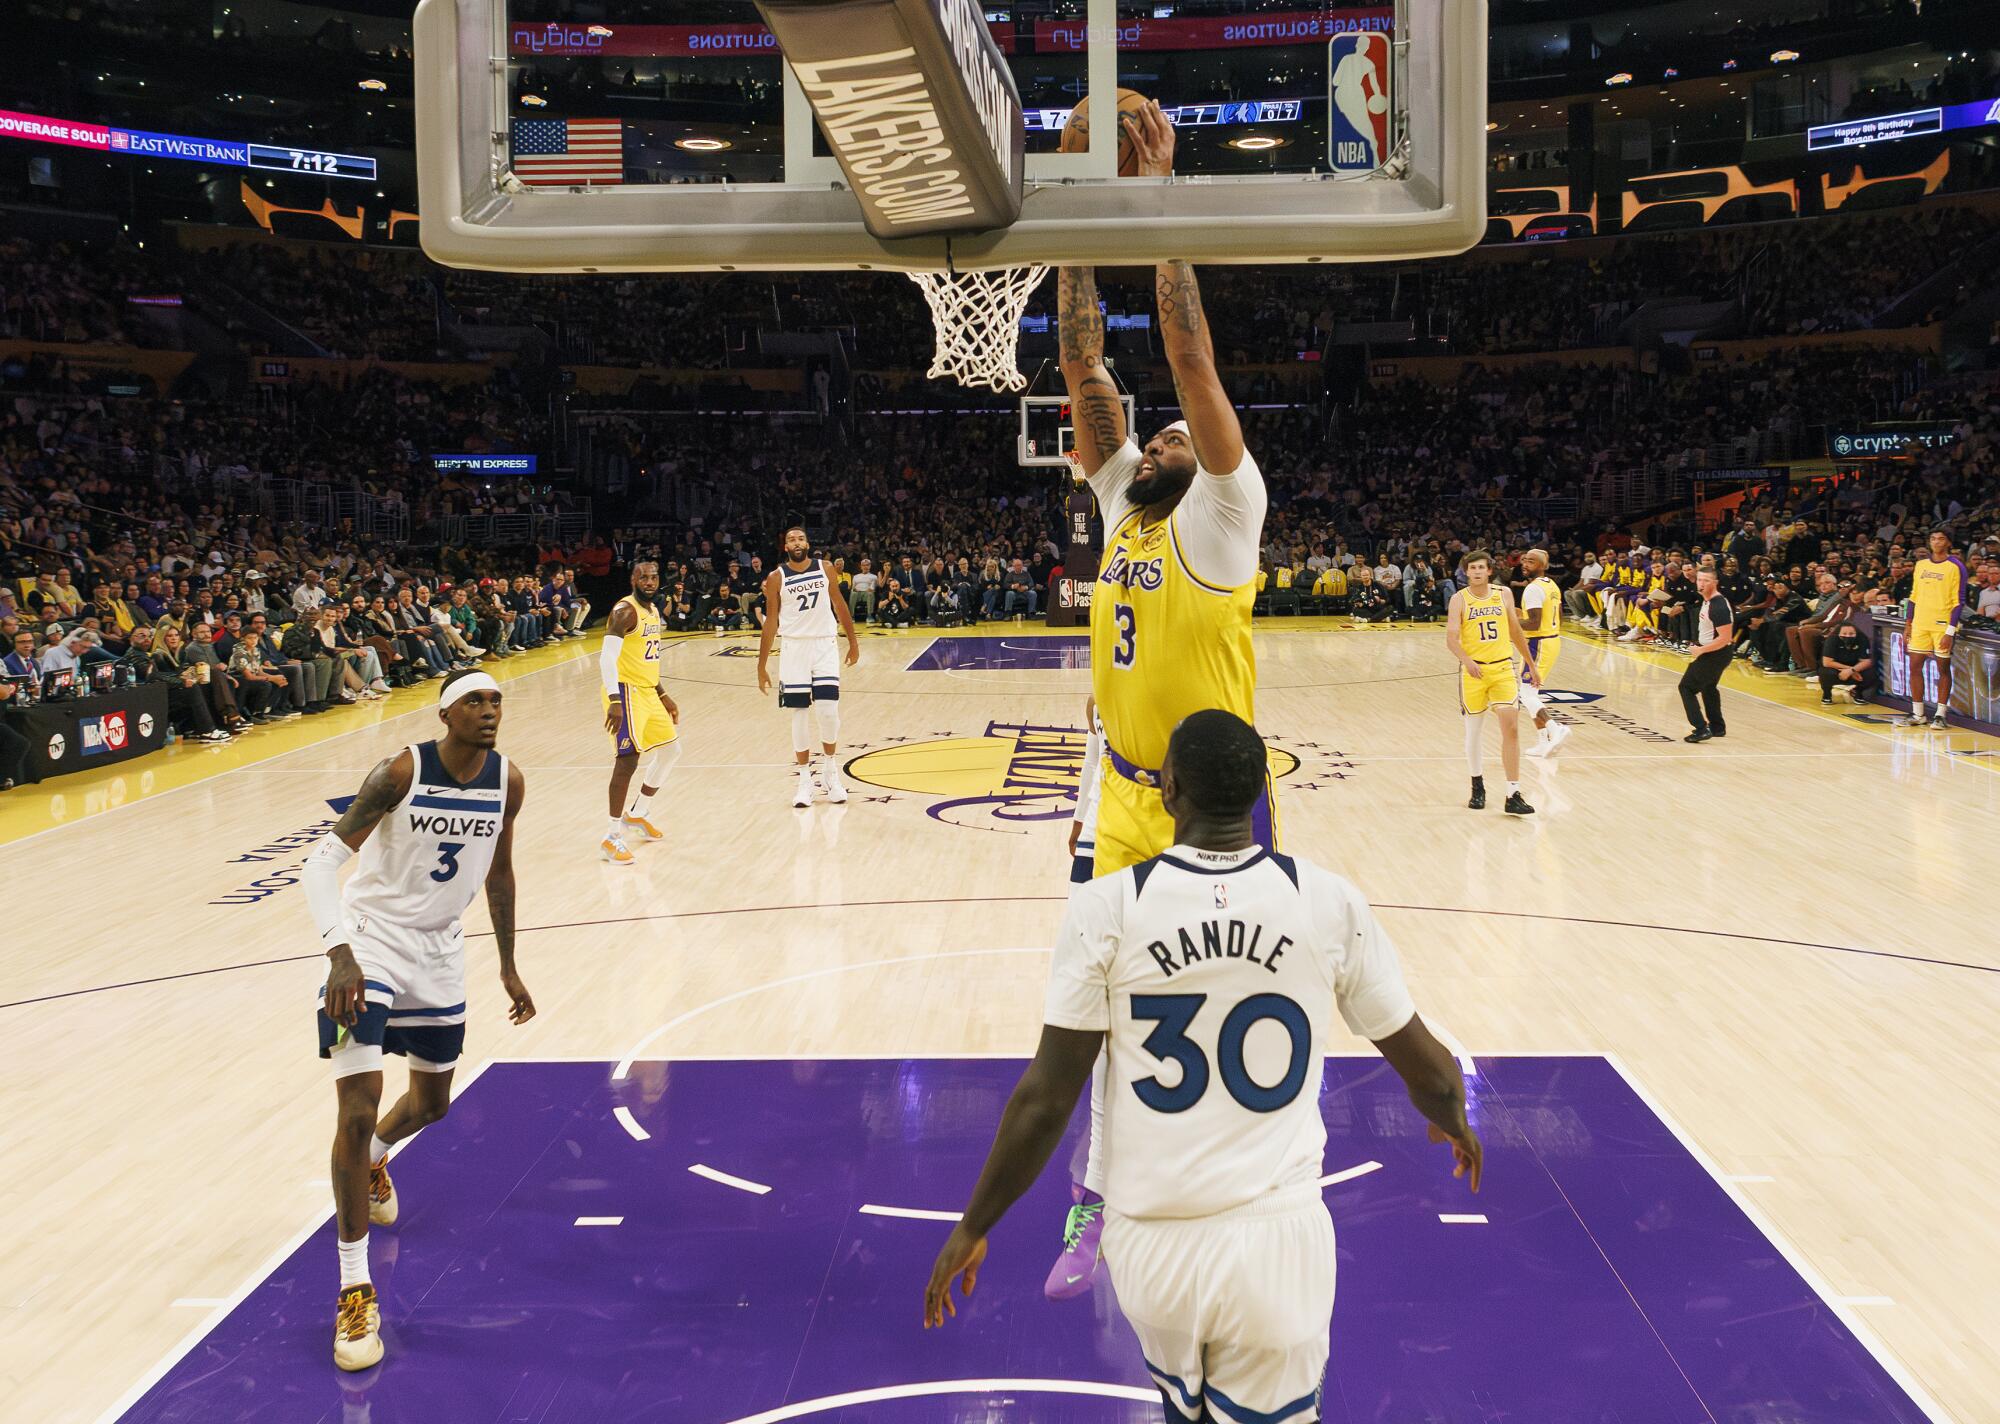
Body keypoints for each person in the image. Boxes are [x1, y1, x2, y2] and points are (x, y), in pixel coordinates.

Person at [922, 710, 1481, 1424]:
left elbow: (1045, 1099)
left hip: (1153, 1248)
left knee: (1181, 1410)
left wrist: (974, 1224)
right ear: (1258, 790)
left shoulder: (1106, 907)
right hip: (1278, 1246)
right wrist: (1453, 1121)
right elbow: (1430, 1073)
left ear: (1168, 790)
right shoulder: (1328, 901)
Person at [1050, 101, 1282, 1294]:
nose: (1161, 434)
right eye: (1153, 435)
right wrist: (1076, 209)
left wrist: (1160, 195)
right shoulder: (1117, 506)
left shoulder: (1223, 514)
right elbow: (1084, 361)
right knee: (1099, 1005)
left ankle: (1241, 1185)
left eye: (1180, 433)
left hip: (1219, 807)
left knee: (1229, 997)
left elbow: (1187, 357)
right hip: (1121, 800)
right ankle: (1094, 1195)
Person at [305, 669, 534, 1371]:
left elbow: (498, 875)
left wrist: (507, 964)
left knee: (431, 1105)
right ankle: (353, 1291)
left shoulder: (508, 782)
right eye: (475, 700)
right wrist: (340, 953)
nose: (490, 710)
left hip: (439, 950)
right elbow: (319, 863)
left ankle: (376, 1159)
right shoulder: (401, 769)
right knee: (354, 1109)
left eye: (496, 700)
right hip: (369, 942)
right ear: (445, 712)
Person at [757, 528, 861, 807]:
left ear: (807, 543)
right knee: (800, 713)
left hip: (824, 645)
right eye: (791, 539)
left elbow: (839, 605)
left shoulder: (825, 568)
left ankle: (830, 769)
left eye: (800, 538)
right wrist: (761, 663)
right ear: (785, 547)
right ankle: (804, 779)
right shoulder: (776, 578)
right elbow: (770, 622)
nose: (797, 542)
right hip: (794, 648)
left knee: (828, 710)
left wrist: (853, 641)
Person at [598, 561, 682, 865]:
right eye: (643, 576)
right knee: (627, 760)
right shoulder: (625, 611)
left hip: (647, 691)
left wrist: (662, 693)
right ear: (632, 579)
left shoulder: (653, 609)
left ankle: (637, 813)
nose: (649, 581)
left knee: (672, 750)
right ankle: (611, 837)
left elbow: (646, 658)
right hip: (626, 692)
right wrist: (614, 700)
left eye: (653, 576)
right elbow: (607, 658)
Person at [1446, 551, 1539, 815]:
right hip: (1473, 673)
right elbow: (1451, 638)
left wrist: (1531, 665)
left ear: (1489, 571)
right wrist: (1467, 660)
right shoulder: (1459, 599)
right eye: (1471, 568)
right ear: (1466, 572)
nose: (1476, 571)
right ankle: (1477, 786)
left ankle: (1513, 793)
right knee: (1473, 732)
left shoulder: (1504, 594)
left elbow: (1515, 630)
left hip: (1502, 669)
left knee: (1511, 729)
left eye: (1480, 567)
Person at [1899, 530, 1967, 730]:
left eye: (1941, 539)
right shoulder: (1921, 565)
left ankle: (1940, 715)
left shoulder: (1956, 567)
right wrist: (1908, 623)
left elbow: (1959, 601)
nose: (1936, 542)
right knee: (1914, 666)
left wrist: (1950, 631)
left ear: (1948, 543)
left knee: (1943, 669)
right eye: (1933, 538)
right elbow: (1914, 596)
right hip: (1920, 623)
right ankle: (1918, 713)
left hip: (1941, 624)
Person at [1515, 548, 1571, 760]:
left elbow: (1534, 622)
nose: (1524, 564)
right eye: (1524, 560)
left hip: (1538, 642)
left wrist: (1510, 622)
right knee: (1531, 695)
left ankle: (1555, 729)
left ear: (1542, 566)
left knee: (1526, 694)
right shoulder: (1551, 585)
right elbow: (1559, 617)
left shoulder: (1533, 589)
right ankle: (1543, 742)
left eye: (1530, 561)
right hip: (1551, 639)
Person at [1679, 568, 1735, 743]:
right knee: (1708, 687)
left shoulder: (1718, 606)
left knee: (1686, 687)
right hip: (1713, 651)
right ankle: (1717, 727)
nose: (1702, 584)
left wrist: (1700, 650)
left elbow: (1725, 638)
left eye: (1706, 581)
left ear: (1715, 583)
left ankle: (1701, 728)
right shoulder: (1707, 601)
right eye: (1700, 580)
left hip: (1716, 653)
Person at [1820, 620, 1876, 704]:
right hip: (1836, 668)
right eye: (1844, 634)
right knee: (1826, 672)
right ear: (1838, 633)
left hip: (1855, 668)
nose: (1848, 636)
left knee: (1872, 674)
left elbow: (1866, 661)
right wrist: (1849, 670)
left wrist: (1852, 670)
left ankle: (1857, 693)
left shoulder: (1862, 639)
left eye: (1851, 634)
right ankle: (1827, 694)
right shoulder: (1832, 640)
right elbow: (1827, 662)